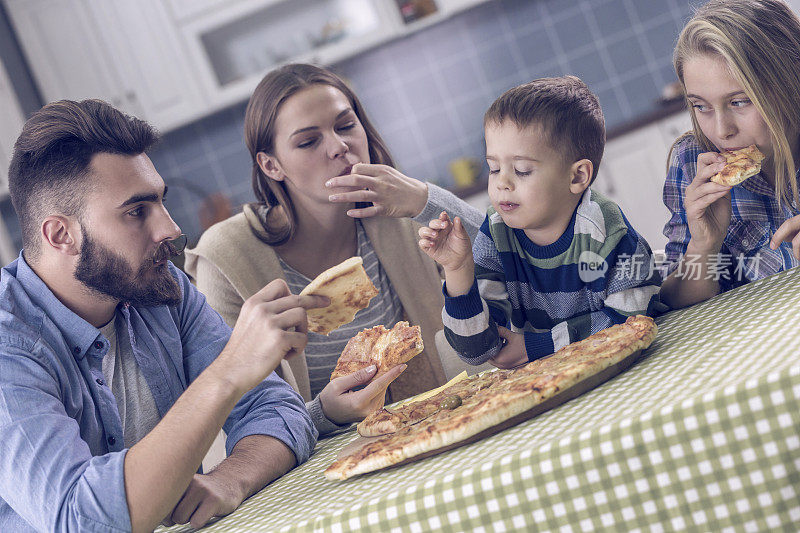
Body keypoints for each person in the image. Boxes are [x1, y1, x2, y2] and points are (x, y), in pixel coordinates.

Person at [0, 99, 326, 532]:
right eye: (137, 211)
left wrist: (231, 479)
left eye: (160, 202)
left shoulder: (158, 288)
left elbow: (277, 409)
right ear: (62, 235)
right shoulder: (10, 346)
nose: (170, 228)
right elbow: (80, 521)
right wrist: (227, 373)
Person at [184, 63, 485, 437]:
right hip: (319, 469)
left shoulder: (398, 211)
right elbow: (238, 422)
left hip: (433, 426)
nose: (339, 146)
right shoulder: (226, 257)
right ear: (271, 165)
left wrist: (424, 197)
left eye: (345, 126)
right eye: (308, 141)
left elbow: (504, 257)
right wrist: (325, 412)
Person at [418, 77, 663, 368]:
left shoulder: (604, 227)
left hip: (630, 367)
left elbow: (633, 319)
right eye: (494, 168)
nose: (502, 183)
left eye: (521, 170)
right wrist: (457, 270)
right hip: (548, 381)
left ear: (577, 177)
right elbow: (477, 351)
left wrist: (539, 347)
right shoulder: (496, 235)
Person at [660, 0, 800, 309]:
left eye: (739, 102)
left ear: (791, 84)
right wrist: (704, 245)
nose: (721, 131)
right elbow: (673, 304)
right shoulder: (691, 163)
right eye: (701, 106)